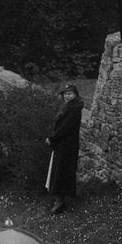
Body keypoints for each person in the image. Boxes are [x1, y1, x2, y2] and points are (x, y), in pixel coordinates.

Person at [45, 83, 83, 214]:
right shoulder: (69, 107)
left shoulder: (75, 109)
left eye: (70, 94)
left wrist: (52, 138)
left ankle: (60, 202)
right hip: (62, 144)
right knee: (59, 170)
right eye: (65, 94)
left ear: (75, 95)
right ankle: (59, 199)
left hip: (67, 145)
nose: (67, 96)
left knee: (62, 171)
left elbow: (65, 128)